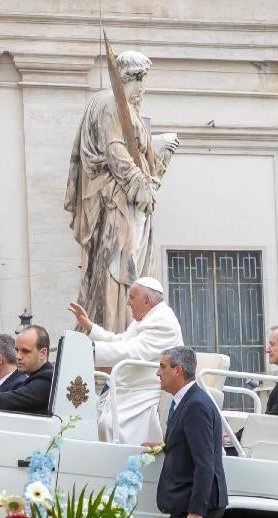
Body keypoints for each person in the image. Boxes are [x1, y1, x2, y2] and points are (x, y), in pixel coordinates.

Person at [64, 49, 180, 334]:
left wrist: (158, 144)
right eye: (142, 80)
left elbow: (133, 147)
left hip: (123, 200)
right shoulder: (110, 103)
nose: (143, 89)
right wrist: (141, 186)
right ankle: (115, 327)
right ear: (135, 77)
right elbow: (116, 152)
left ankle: (119, 328)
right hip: (116, 201)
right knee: (118, 267)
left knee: (127, 267)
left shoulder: (121, 105)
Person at [152, 345, 260, 518]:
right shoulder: (184, 401)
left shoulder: (197, 404)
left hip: (199, 503)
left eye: (162, 367)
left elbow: (206, 462)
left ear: (177, 370)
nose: (158, 373)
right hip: (203, 500)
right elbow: (189, 446)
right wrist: (163, 446)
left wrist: (196, 511)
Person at [69, 276, 183, 443]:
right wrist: (90, 326)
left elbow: (132, 351)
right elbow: (120, 341)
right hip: (129, 388)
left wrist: (91, 351)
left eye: (131, 298)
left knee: (109, 425)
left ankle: (120, 464)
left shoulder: (163, 321)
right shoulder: (146, 318)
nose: (128, 303)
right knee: (89, 418)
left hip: (144, 390)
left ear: (147, 300)